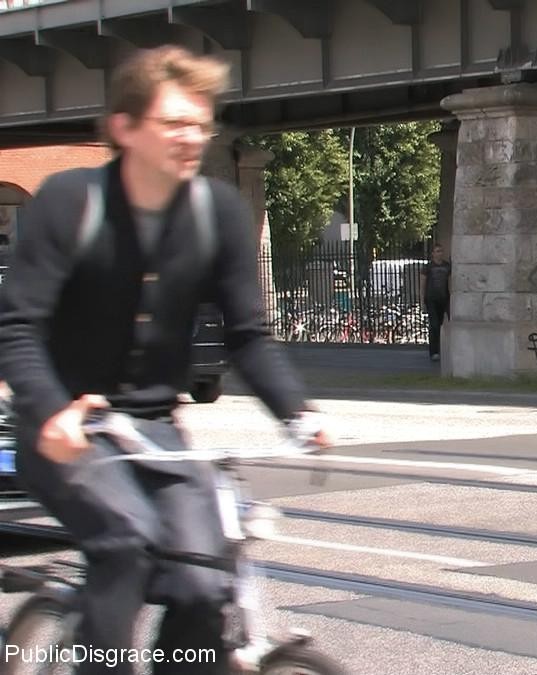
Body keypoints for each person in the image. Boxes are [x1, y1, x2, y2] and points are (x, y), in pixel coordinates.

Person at [0, 45, 331, 675]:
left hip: (155, 432)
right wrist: (50, 413)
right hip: (64, 430)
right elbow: (17, 327)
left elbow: (249, 337)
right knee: (125, 544)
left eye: (199, 125)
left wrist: (298, 413)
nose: (190, 137)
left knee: (204, 584)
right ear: (125, 128)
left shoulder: (217, 214)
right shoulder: (70, 203)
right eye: (173, 122)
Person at [419, 242, 451, 362]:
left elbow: (450, 282)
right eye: (437, 251)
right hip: (431, 298)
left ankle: (442, 348)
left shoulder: (447, 266)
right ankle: (434, 351)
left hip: (443, 298)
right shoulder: (428, 267)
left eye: (441, 251)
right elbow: (422, 285)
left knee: (441, 324)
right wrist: (422, 301)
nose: (439, 253)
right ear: (432, 254)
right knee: (434, 325)